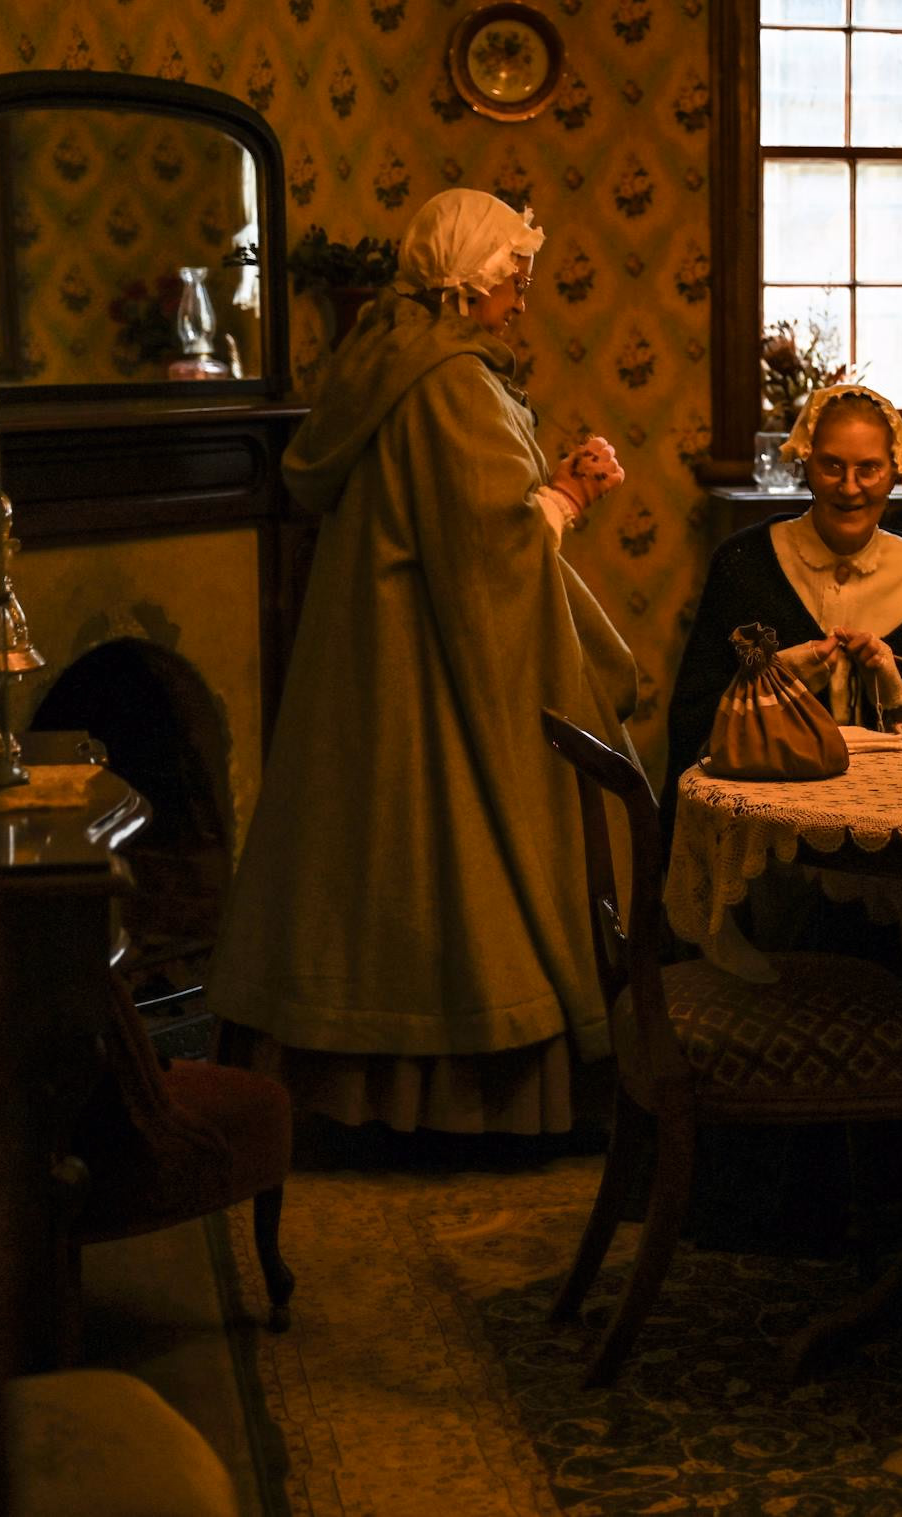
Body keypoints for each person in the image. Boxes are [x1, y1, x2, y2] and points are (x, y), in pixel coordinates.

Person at [209, 189, 641, 1136]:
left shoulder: (383, 352)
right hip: (427, 673)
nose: (522, 301)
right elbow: (488, 545)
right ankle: (459, 1102)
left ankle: (339, 1087)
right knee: (439, 862)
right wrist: (569, 492)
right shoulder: (451, 382)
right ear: (467, 283)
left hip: (370, 649)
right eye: (513, 282)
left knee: (358, 867)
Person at [665, 384, 902, 800]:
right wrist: (777, 677)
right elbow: (694, 722)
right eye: (832, 466)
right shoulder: (744, 563)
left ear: (896, 471)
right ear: (806, 464)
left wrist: (899, 698)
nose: (849, 488)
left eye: (868, 469)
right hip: (772, 801)